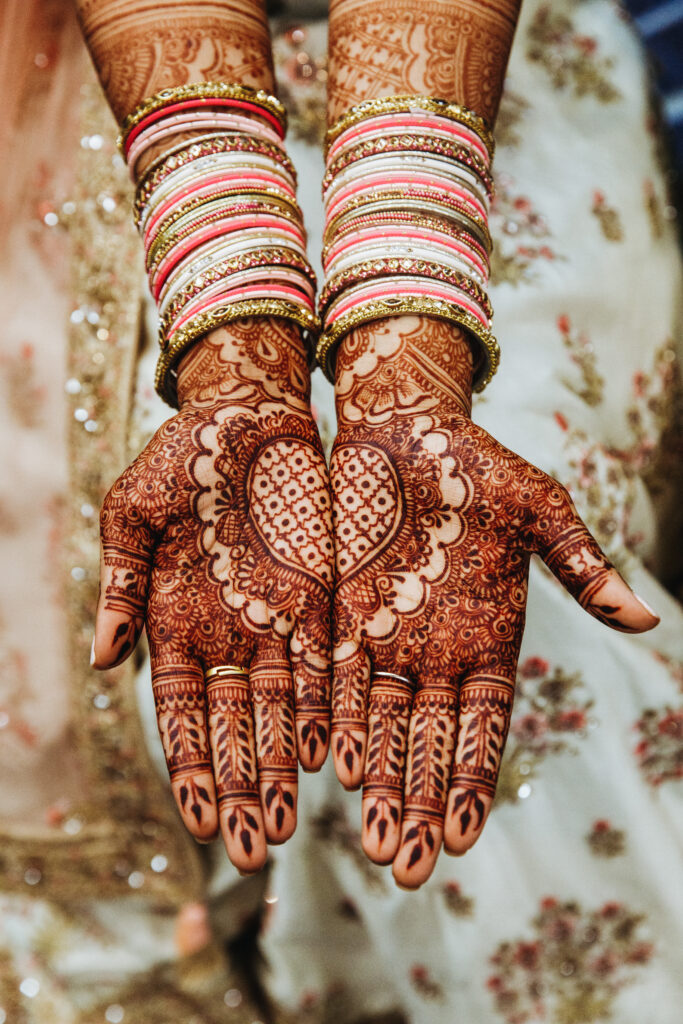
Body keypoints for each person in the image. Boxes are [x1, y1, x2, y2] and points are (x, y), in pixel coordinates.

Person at [1, 0, 681, 1021]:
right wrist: (239, 361)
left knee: (505, 631)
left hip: (473, 76)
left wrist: (402, 361)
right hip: (102, 94)